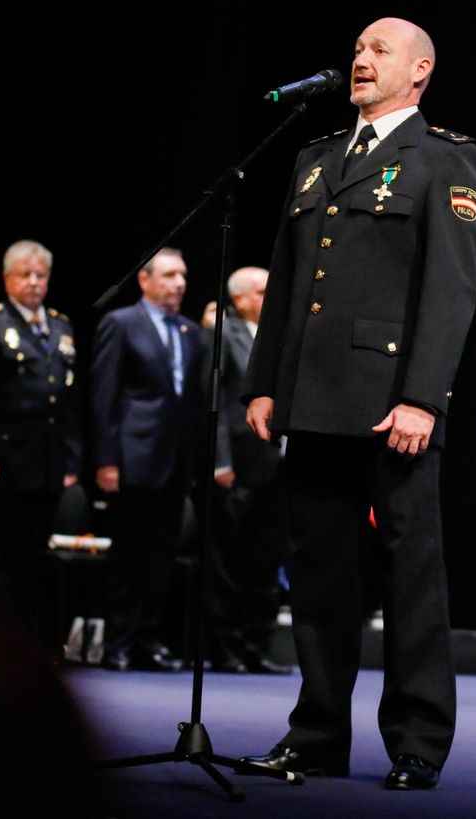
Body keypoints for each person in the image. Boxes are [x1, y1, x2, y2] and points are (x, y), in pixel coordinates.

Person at [239, 16, 476, 792]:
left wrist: (422, 398)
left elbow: (451, 294)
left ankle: (417, 741)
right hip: (314, 401)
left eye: (378, 50)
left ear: (419, 72)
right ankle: (315, 734)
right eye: (356, 49)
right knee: (320, 579)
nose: (360, 59)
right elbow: (286, 283)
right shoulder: (316, 161)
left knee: (410, 579)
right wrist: (263, 382)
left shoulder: (446, 159)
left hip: (391, 409)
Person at [0, 240, 82, 645]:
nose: (33, 282)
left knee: (34, 560)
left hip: (46, 461)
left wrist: (72, 461)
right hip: (2, 460)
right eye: (25, 274)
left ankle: (26, 648)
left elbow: (67, 401)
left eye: (40, 275)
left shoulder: (60, 325)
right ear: (7, 278)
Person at [89, 248, 204, 672]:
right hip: (133, 457)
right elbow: (105, 396)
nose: (179, 283)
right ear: (145, 280)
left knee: (161, 557)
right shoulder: (121, 324)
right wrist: (106, 460)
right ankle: (117, 641)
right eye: (170, 275)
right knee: (128, 556)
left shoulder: (190, 332)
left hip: (175, 461)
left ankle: (149, 639)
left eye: (183, 275)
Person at [207, 266, 291, 674]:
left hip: (276, 465)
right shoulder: (224, 334)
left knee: (266, 560)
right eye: (261, 291)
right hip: (237, 467)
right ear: (239, 298)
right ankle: (226, 648)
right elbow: (218, 403)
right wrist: (220, 460)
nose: (269, 297)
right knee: (230, 561)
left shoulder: (279, 335)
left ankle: (257, 645)